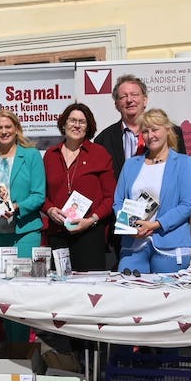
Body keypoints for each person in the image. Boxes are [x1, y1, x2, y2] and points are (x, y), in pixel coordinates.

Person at [0, 109, 46, 354]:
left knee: (21, 292)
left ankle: (21, 349)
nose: (3, 132)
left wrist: (17, 207)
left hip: (23, 232)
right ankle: (1, 343)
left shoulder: (31, 155)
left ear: (16, 129)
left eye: (8, 127)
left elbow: (39, 195)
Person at [112, 108, 191, 273]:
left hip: (170, 246)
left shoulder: (183, 163)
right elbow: (118, 201)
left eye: (155, 129)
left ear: (167, 129)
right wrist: (130, 226)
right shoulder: (131, 165)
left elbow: (187, 204)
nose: (150, 135)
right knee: (128, 294)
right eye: (145, 131)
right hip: (133, 244)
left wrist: (156, 225)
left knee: (168, 298)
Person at [43, 103, 115, 271]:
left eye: (82, 122)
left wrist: (91, 220)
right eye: (72, 120)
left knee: (88, 289)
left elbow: (110, 196)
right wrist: (50, 209)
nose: (76, 125)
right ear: (63, 123)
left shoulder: (99, 153)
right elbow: (42, 194)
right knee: (58, 287)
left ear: (88, 126)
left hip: (89, 233)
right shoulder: (50, 155)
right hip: (58, 233)